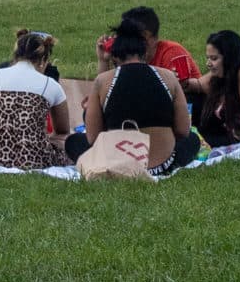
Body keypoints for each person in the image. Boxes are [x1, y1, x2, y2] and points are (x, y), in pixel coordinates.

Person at [82, 12, 199, 174]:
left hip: (118, 163)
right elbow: (183, 130)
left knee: (74, 142)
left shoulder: (103, 81)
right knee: (192, 140)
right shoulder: (168, 77)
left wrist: (103, 61)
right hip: (162, 164)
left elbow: (93, 138)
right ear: (145, 50)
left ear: (115, 54)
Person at [0, 26, 73, 169]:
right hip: (36, 159)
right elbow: (62, 130)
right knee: (69, 137)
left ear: (15, 55)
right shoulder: (51, 85)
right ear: (44, 60)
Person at [95, 4, 197, 81]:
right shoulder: (126, 56)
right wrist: (103, 60)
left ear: (155, 38)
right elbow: (106, 90)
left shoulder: (171, 53)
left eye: (140, 38)